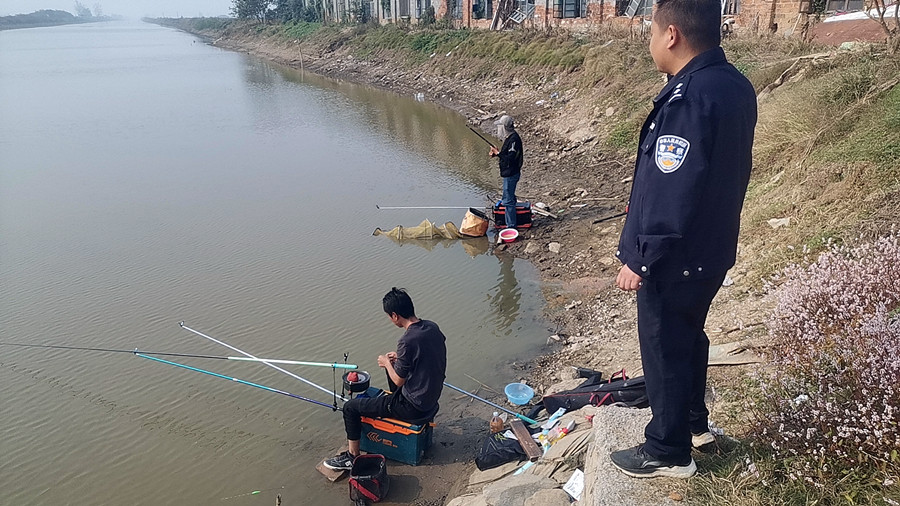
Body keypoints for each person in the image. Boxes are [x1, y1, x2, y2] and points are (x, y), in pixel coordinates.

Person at [610, 0, 757, 479]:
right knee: (689, 337)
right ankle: (694, 424)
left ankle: (667, 451)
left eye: (651, 31)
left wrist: (642, 257)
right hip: (710, 248)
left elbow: (671, 187)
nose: (650, 42)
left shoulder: (689, 97)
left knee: (664, 345)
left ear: (671, 34)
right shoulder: (732, 85)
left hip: (678, 254)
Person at [323, 288, 447, 470]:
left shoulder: (407, 340)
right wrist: (400, 358)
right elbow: (429, 353)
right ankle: (391, 405)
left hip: (413, 407)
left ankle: (352, 457)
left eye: (389, 316)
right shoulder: (431, 327)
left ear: (395, 315)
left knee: (350, 408)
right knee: (395, 368)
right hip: (431, 399)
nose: (390, 320)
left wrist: (386, 363)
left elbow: (398, 381)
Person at [489, 115, 524, 229]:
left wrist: (499, 153)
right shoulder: (509, 138)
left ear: (504, 127)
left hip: (511, 174)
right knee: (509, 197)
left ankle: (511, 226)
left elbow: (511, 158)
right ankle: (514, 220)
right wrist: (497, 153)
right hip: (508, 174)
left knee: (508, 201)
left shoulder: (514, 140)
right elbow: (507, 156)